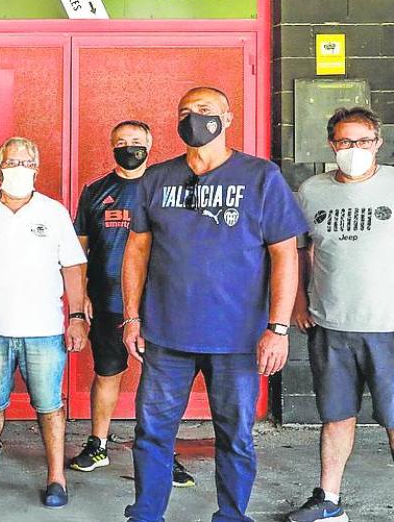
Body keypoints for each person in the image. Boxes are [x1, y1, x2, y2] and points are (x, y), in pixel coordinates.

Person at [122, 86, 307, 522]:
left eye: (204, 111)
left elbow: (285, 253)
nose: (194, 118)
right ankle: (146, 513)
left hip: (238, 338)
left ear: (227, 119)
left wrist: (277, 329)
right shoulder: (157, 178)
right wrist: (132, 317)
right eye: (185, 111)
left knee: (235, 435)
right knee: (152, 432)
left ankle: (231, 514)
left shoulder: (261, 177)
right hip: (166, 336)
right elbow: (136, 251)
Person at [0, 136, 88, 508]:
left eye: (26, 163)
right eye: (12, 163)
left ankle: (56, 478)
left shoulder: (53, 212)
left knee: (49, 407)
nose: (19, 169)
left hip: (43, 332)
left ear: (37, 169)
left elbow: (74, 267)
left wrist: (76, 317)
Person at [68, 122, 196, 488]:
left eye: (137, 142)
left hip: (159, 305)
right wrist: (83, 296)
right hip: (109, 302)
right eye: (122, 143)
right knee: (107, 373)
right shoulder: (96, 191)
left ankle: (161, 452)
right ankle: (98, 444)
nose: (129, 148)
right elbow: (79, 251)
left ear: (151, 145)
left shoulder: (167, 189)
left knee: (161, 381)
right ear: (111, 147)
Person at [289, 107, 394, 522]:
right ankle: (328, 501)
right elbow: (300, 250)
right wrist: (298, 301)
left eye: (363, 141)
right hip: (331, 325)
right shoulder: (312, 190)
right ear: (332, 145)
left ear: (378, 143)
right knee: (335, 415)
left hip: (388, 326)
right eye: (345, 142)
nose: (354, 149)